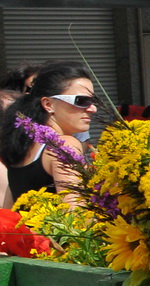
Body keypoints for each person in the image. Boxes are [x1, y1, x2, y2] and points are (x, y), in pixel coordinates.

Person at [0, 62, 95, 205]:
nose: (92, 109)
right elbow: (77, 214)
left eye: (93, 101)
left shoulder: (21, 146)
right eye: (81, 101)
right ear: (48, 104)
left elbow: (9, 211)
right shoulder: (63, 145)